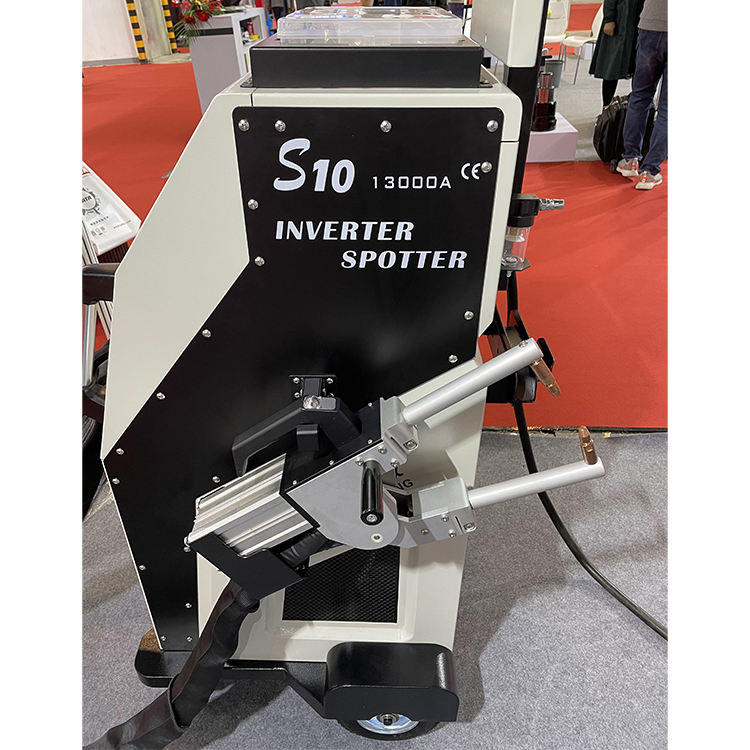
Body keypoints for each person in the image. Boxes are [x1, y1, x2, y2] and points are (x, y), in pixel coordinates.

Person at [616, 0, 667, 190]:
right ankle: (649, 171)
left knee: (640, 96)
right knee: (667, 108)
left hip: (650, 25)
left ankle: (630, 159)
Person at [588, 0, 644, 107]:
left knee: (639, 69)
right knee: (611, 67)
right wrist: (609, 19)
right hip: (620, 21)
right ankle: (606, 107)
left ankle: (635, 108)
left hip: (640, 21)